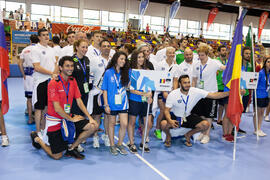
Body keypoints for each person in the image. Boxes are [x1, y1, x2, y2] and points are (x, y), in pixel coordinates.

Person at [30, 56, 98, 160]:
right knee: (57, 156)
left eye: (71, 66)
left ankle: (71, 148)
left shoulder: (72, 80)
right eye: (67, 66)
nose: (70, 68)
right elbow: (57, 108)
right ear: (60, 68)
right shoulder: (53, 83)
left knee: (93, 126)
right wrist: (71, 119)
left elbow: (79, 100)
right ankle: (38, 139)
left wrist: (90, 117)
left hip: (68, 116)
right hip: (55, 121)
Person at [161, 75, 243, 147]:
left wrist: (232, 92)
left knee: (206, 125)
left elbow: (214, 95)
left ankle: (188, 135)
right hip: (176, 116)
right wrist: (170, 120)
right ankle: (168, 136)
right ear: (180, 84)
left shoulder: (195, 91)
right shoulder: (173, 94)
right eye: (185, 83)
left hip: (187, 116)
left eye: (188, 82)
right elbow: (166, 111)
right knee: (163, 124)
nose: (187, 85)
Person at [191, 45, 226, 144]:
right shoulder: (196, 64)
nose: (201, 57)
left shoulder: (214, 62)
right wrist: (193, 91)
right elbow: (194, 80)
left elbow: (224, 68)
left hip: (211, 93)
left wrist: (233, 65)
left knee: (209, 116)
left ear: (207, 54)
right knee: (201, 114)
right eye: (199, 55)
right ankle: (202, 132)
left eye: (202, 55)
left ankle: (207, 135)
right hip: (199, 93)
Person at [31, 28, 58, 139]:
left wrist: (54, 74)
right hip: (40, 82)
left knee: (47, 108)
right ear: (39, 37)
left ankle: (44, 129)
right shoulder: (35, 49)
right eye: (44, 35)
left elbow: (56, 63)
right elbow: (37, 67)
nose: (46, 37)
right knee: (39, 108)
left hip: (50, 82)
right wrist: (51, 73)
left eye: (47, 35)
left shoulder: (51, 50)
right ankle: (38, 131)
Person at [101, 51, 129, 156]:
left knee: (124, 124)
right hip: (111, 103)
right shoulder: (108, 72)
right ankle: (112, 145)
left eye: (125, 59)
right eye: (121, 59)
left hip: (123, 103)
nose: (123, 61)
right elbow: (105, 90)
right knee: (111, 124)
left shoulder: (126, 72)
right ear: (116, 59)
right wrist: (106, 104)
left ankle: (120, 144)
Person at [127, 51, 153, 153]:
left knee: (148, 123)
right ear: (134, 59)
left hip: (145, 100)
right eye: (139, 57)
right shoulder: (131, 71)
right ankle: (131, 143)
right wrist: (143, 94)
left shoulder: (147, 70)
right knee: (132, 122)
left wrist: (150, 95)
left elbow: (150, 86)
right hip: (134, 99)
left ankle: (143, 143)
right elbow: (131, 89)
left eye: (142, 57)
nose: (141, 59)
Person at [70, 39, 93, 152]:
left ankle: (78, 141)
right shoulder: (72, 60)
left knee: (82, 116)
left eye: (86, 47)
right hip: (74, 95)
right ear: (77, 47)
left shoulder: (87, 60)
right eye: (83, 47)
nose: (85, 49)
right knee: (75, 117)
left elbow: (88, 75)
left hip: (85, 92)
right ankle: (72, 140)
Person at [89, 39, 112, 148]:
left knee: (108, 116)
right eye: (104, 46)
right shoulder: (94, 60)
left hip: (109, 93)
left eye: (108, 46)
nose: (106, 48)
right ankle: (95, 137)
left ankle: (107, 136)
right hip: (97, 92)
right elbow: (90, 75)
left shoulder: (113, 61)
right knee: (96, 116)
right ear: (100, 47)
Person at [154, 47, 178, 140]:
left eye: (173, 53)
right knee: (163, 111)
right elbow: (158, 79)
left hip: (171, 92)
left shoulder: (176, 66)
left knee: (168, 111)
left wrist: (174, 92)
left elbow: (175, 80)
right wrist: (164, 91)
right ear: (166, 54)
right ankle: (157, 129)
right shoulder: (160, 65)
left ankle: (166, 128)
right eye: (170, 53)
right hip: (161, 91)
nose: (172, 54)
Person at [18, 34, 39, 124]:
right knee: (39, 97)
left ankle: (30, 119)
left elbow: (20, 63)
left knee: (29, 98)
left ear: (30, 40)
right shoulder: (39, 49)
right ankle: (40, 119)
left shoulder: (25, 50)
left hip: (28, 75)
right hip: (38, 75)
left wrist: (23, 74)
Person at [253, 57, 270, 136]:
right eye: (268, 62)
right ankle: (256, 129)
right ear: (265, 63)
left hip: (266, 95)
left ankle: (259, 128)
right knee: (257, 112)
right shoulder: (261, 72)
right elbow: (254, 84)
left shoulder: (269, 73)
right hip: (259, 95)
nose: (269, 63)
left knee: (262, 113)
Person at [216, 45, 228, 126]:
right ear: (219, 52)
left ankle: (219, 119)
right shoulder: (215, 61)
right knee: (214, 104)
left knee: (222, 105)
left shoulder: (227, 61)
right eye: (222, 50)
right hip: (216, 86)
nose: (224, 52)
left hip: (225, 87)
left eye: (225, 50)